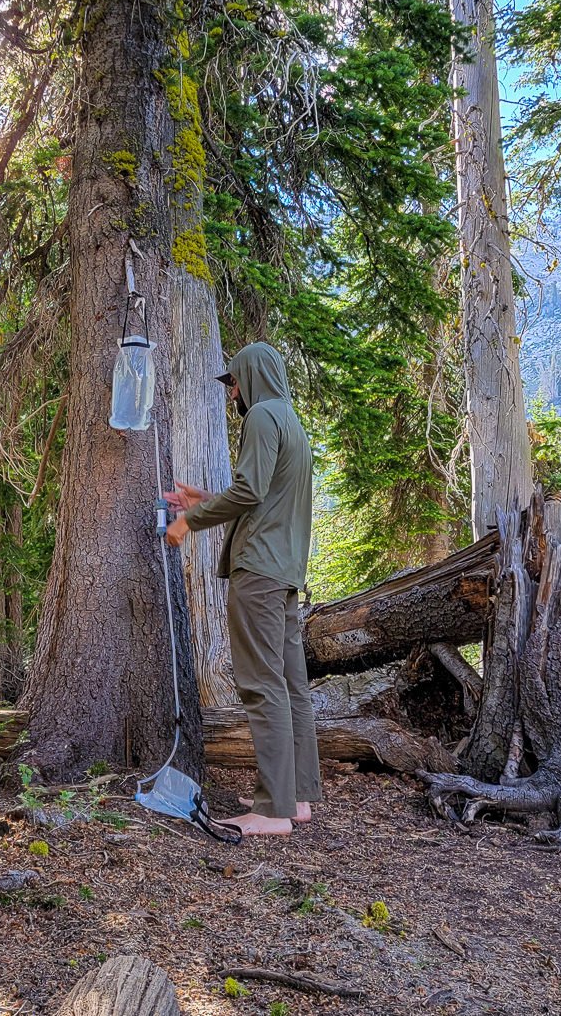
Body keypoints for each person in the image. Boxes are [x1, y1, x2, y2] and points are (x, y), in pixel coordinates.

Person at [163, 342, 320, 837]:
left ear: (250, 376)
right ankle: (296, 799)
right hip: (288, 575)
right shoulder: (291, 422)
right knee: (292, 686)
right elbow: (265, 498)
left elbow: (250, 492)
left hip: (259, 574)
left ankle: (272, 811)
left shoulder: (260, 419)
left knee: (261, 685)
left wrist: (190, 519)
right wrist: (206, 499)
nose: (232, 391)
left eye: (233, 381)